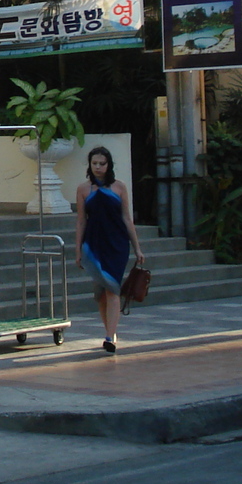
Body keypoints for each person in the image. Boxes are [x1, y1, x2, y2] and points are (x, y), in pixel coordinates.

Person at [74, 145, 144, 353]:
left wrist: (137, 248)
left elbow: (126, 218)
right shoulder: (83, 189)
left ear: (109, 164)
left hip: (117, 244)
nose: (98, 167)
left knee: (113, 289)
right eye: (94, 163)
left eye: (101, 164)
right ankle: (109, 331)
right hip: (94, 245)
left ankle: (110, 336)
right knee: (100, 292)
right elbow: (80, 221)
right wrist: (78, 250)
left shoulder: (120, 187)